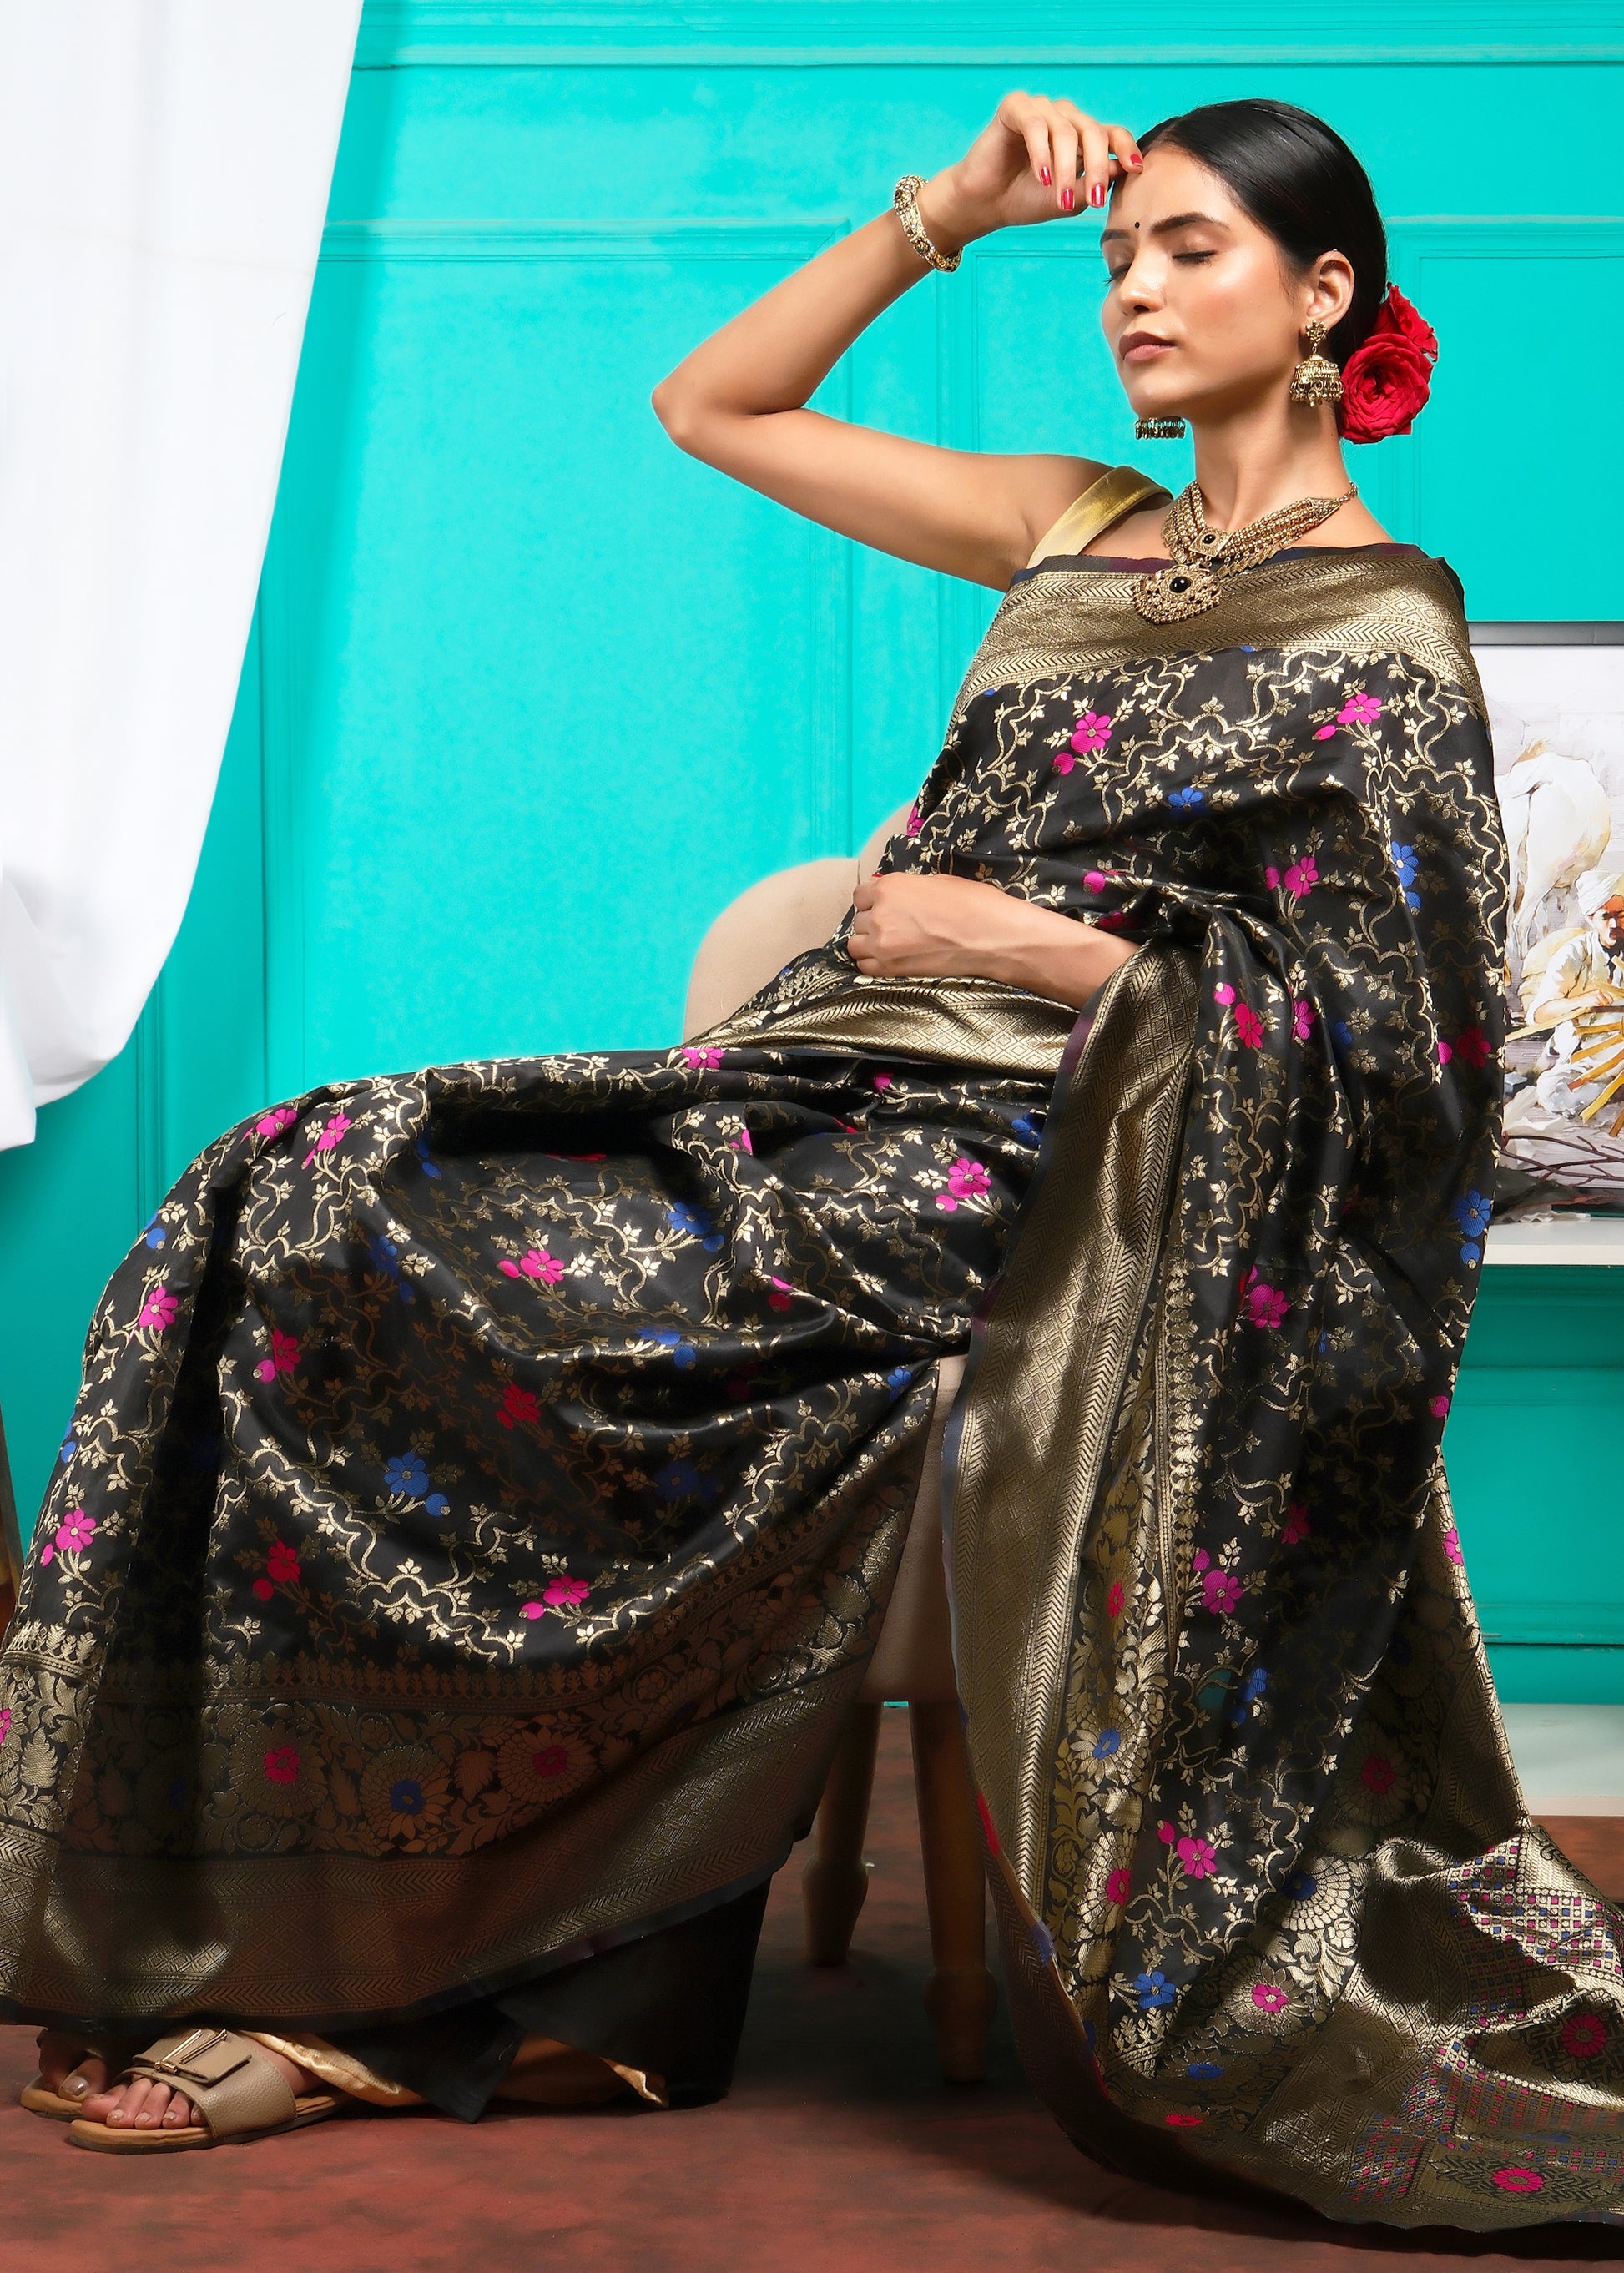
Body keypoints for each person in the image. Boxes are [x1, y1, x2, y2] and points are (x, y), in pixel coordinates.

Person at [1, 88, 1615, 2227]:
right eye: (1113, 254)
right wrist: (941, 212)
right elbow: (713, 403)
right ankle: (384, 1936)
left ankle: (456, 1993)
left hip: (1066, 1159)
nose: (1131, 288)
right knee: (298, 1180)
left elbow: (1404, 1055)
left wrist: (1022, 943)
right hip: (826, 1083)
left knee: (559, 1288)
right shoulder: (1072, 522)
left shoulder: (1385, 625)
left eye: (1191, 250)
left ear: (1326, 297)